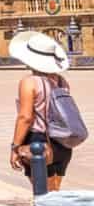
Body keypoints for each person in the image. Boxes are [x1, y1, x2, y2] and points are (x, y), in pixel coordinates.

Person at [9, 30, 86, 196]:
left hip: (39, 143)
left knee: (42, 197)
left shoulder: (29, 82)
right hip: (62, 143)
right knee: (55, 195)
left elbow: (25, 117)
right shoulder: (61, 81)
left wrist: (15, 147)